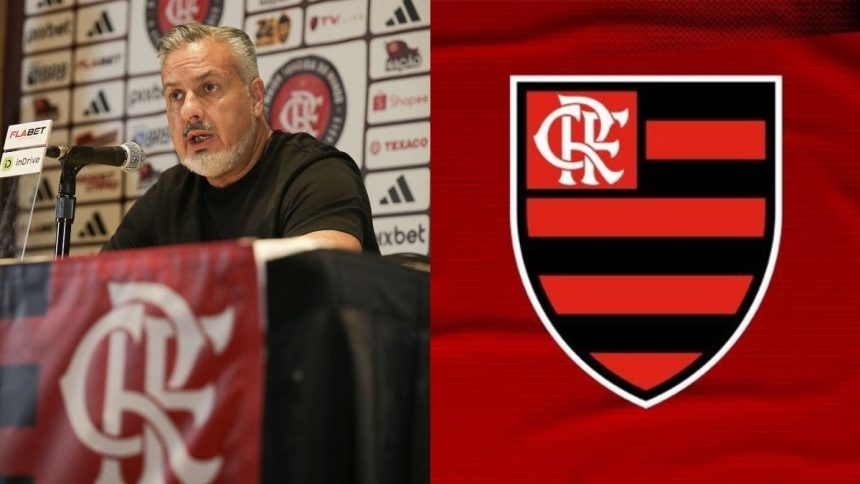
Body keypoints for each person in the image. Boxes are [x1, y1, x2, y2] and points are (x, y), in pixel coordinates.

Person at [103, 23, 378, 253]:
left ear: (255, 97)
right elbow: (98, 281)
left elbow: (328, 268)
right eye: (176, 95)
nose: (188, 111)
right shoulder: (170, 194)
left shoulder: (316, 172)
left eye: (209, 87)